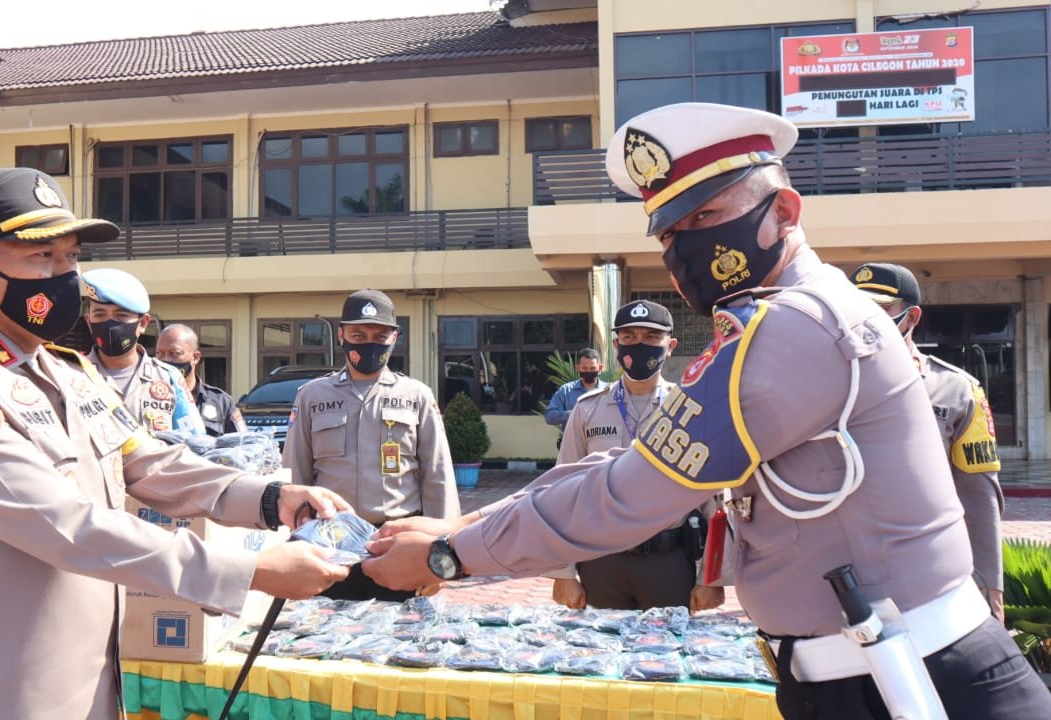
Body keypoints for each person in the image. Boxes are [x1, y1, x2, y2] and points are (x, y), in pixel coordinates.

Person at [363, 103, 1051, 718]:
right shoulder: (799, 313)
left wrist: (451, 558)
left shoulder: (789, 332)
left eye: (705, 218)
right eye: (667, 234)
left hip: (912, 686)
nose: (683, 250)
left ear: (784, 211)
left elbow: (630, 496)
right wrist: (472, 521)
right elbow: (626, 462)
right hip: (870, 671)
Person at [0, 167, 351, 720]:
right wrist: (246, 573)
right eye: (41, 258)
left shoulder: (66, 370)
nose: (66, 278)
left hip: (90, 684)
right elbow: (66, 525)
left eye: (72, 257)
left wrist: (270, 497)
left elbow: (147, 462)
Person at [850, 262, 1005, 620]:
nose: (864, 320)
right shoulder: (828, 385)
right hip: (846, 572)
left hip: (929, 571)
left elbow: (979, 497)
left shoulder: (956, 390)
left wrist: (988, 588)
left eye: (880, 309)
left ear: (912, 316)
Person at [283, 288, 459, 601]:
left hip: (400, 542)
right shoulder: (312, 396)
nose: (369, 343)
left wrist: (441, 554)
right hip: (331, 543)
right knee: (328, 640)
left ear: (395, 338)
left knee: (402, 639)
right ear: (341, 336)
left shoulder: (416, 395)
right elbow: (295, 474)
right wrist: (295, 540)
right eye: (358, 334)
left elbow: (438, 476)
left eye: (380, 335)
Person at [549, 299, 724, 613]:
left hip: (668, 564)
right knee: (599, 656)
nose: (639, 345)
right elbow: (562, 493)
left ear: (669, 346)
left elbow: (715, 502)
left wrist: (712, 578)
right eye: (629, 338)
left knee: (666, 659)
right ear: (616, 346)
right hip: (600, 562)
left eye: (651, 338)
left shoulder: (690, 411)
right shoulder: (587, 409)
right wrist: (562, 572)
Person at [81, 267, 203, 438]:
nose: (110, 324)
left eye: (121, 315)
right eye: (100, 315)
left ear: (143, 323)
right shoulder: (72, 375)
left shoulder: (168, 378)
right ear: (88, 321)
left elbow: (194, 441)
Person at [156, 323, 247, 436]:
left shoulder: (221, 402)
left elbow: (241, 444)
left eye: (175, 353)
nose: (166, 360)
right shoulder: (146, 397)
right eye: (160, 354)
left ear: (195, 358)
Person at [543, 348, 603, 442]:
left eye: (592, 368)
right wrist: (573, 413)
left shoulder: (609, 390)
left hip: (601, 445)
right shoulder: (566, 390)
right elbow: (549, 417)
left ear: (600, 368)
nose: (588, 371)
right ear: (578, 368)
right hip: (573, 446)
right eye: (584, 368)